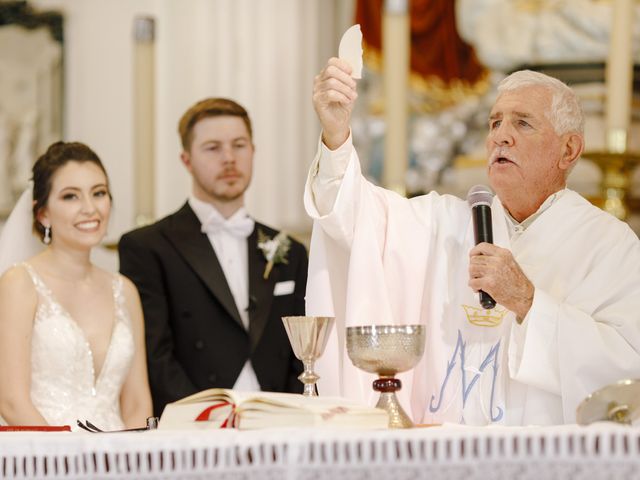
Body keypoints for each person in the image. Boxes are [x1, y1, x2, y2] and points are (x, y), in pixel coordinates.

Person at [305, 58, 640, 426]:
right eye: (495, 122)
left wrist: (528, 302)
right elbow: (354, 220)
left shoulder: (608, 245)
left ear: (569, 150)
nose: (501, 135)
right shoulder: (445, 223)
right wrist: (336, 137)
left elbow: (626, 371)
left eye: (522, 123)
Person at [119, 98, 307, 416]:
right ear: (186, 159)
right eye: (212, 148)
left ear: (253, 151)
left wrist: (287, 415)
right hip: (192, 426)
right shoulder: (148, 247)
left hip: (279, 422)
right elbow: (154, 355)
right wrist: (206, 418)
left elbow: (300, 352)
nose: (229, 158)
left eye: (239, 145)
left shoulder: (290, 250)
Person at [0, 141, 152, 430]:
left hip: (119, 463)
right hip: (46, 460)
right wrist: (72, 462)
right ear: (42, 213)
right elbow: (10, 400)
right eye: (71, 197)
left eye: (99, 193)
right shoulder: (19, 283)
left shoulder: (125, 291)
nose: (90, 208)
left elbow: (136, 402)